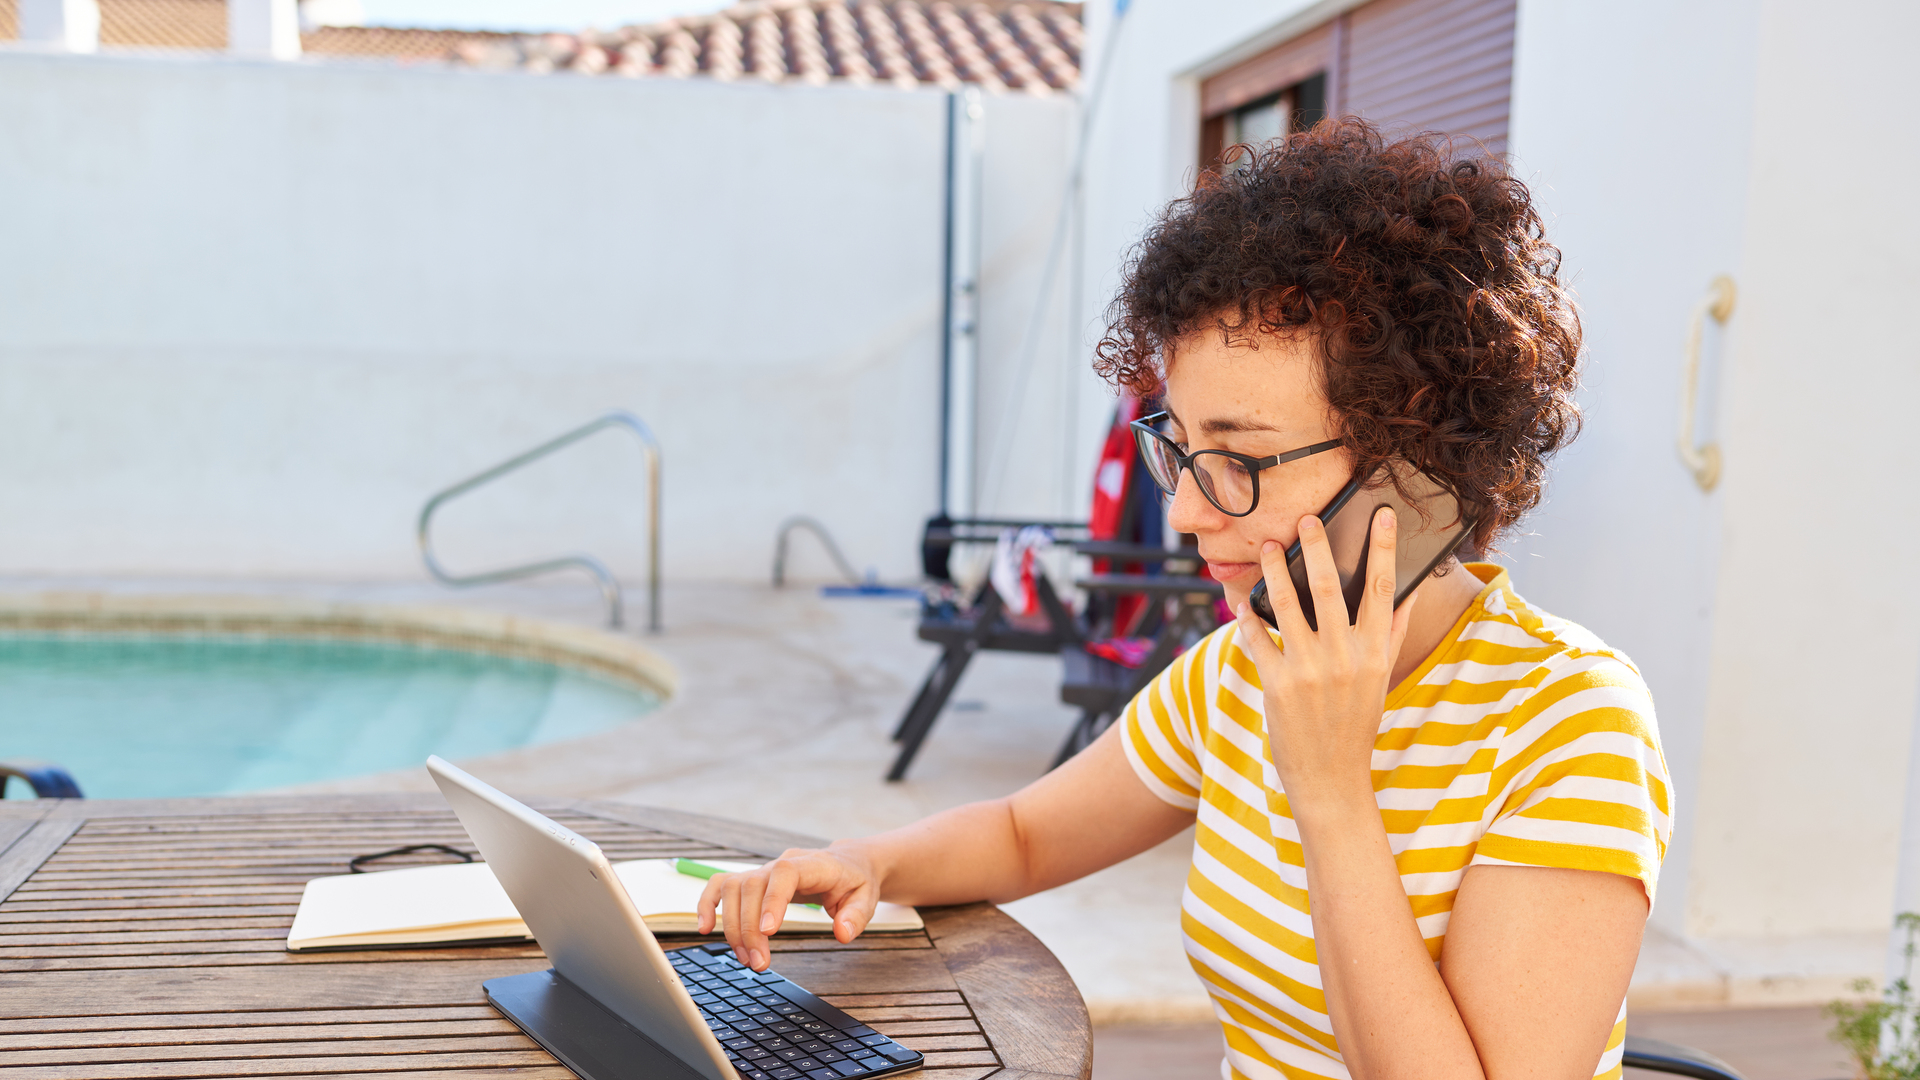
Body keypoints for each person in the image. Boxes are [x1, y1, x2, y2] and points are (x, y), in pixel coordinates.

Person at [699, 120, 1669, 1080]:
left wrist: (1329, 787)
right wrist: (872, 863)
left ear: (1416, 471)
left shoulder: (1568, 723)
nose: (1189, 515)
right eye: (1183, 450)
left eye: (1241, 462)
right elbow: (1026, 834)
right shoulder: (1239, 670)